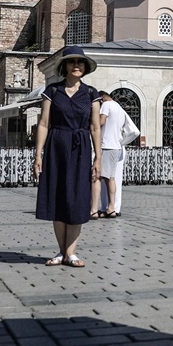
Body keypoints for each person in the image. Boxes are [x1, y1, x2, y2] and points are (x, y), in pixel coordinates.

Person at [34, 46, 102, 268]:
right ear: (64, 67)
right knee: (58, 196)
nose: (76, 66)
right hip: (56, 146)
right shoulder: (53, 91)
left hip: (80, 147)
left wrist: (98, 157)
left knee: (77, 197)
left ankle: (71, 252)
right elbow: (44, 124)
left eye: (80, 63)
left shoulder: (92, 94)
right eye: (72, 63)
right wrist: (38, 154)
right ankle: (62, 252)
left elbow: (95, 127)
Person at [91, 90, 131, 218]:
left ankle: (96, 209)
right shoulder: (118, 107)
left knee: (96, 176)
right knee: (111, 178)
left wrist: (90, 124)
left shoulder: (106, 105)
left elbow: (101, 122)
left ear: (102, 98)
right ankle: (111, 207)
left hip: (106, 145)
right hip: (116, 146)